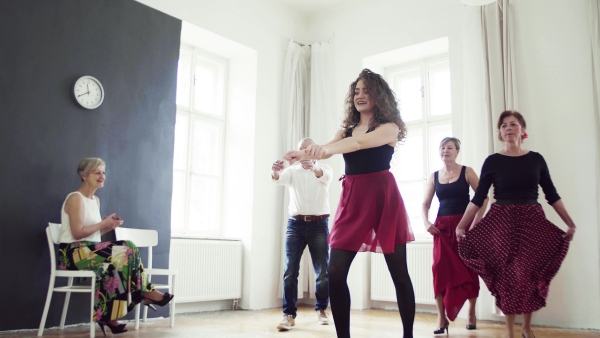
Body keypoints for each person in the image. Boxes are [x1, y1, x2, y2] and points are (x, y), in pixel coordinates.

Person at [284, 69, 416, 338]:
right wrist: (303, 153)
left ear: (379, 95)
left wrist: (325, 149)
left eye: (367, 90)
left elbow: (357, 144)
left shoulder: (389, 127)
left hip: (382, 197)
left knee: (399, 273)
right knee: (335, 271)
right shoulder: (345, 129)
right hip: (352, 198)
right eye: (356, 91)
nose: (360, 95)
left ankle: (408, 335)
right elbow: (328, 146)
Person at [454, 111, 576, 338]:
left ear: (522, 129)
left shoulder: (536, 159)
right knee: (508, 275)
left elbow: (552, 195)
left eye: (513, 124)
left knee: (528, 274)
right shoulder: (493, 161)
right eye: (504, 126)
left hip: (532, 221)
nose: (508, 128)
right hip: (502, 222)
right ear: (500, 133)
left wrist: (570, 223)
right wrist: (462, 225)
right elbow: (479, 197)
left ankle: (526, 329)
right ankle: (510, 332)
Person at [58, 157, 174, 336]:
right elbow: (77, 233)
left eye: (103, 172)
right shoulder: (76, 198)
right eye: (97, 172)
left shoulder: (94, 200)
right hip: (72, 254)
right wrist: (102, 223)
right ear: (84, 175)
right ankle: (144, 292)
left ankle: (110, 316)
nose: (102, 176)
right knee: (126, 247)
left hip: (89, 251)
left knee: (120, 260)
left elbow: (93, 236)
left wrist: (107, 227)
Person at [422, 137, 486, 335]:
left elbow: (483, 197)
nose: (445, 151)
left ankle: (471, 313)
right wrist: (426, 223)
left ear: (457, 151)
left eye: (450, 147)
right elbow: (425, 203)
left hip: (463, 227)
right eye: (442, 147)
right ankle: (441, 317)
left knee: (469, 268)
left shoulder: (467, 171)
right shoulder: (434, 176)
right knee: (439, 269)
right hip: (442, 227)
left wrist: (475, 223)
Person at [271, 137, 332, 331]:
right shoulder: (292, 171)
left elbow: (323, 175)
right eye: (300, 150)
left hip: (319, 224)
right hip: (295, 225)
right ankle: (288, 315)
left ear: (314, 151)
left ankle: (322, 309)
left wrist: (314, 168)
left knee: (322, 271)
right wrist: (275, 170)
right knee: (290, 270)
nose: (303, 153)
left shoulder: (325, 169)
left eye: (307, 149)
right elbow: (278, 179)